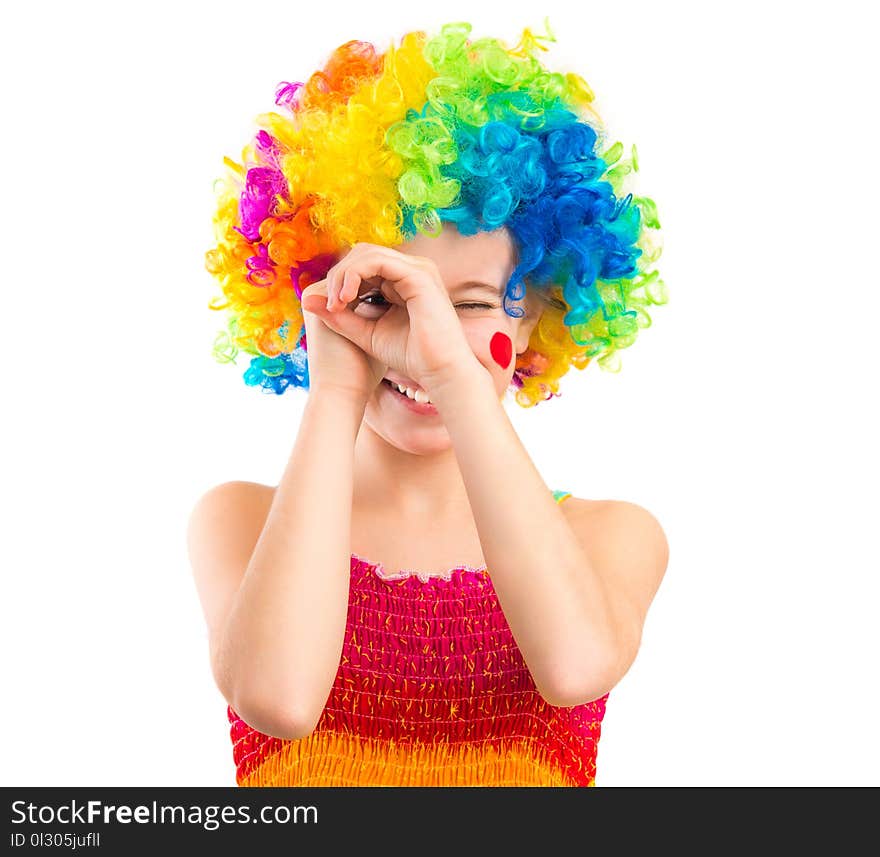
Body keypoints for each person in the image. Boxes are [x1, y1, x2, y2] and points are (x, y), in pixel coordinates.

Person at [189, 18, 670, 787]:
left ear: (539, 316)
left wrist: (456, 376)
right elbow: (278, 701)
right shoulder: (240, 521)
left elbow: (576, 666)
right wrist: (337, 381)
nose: (425, 336)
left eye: (473, 302)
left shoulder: (610, 535)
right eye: (386, 297)